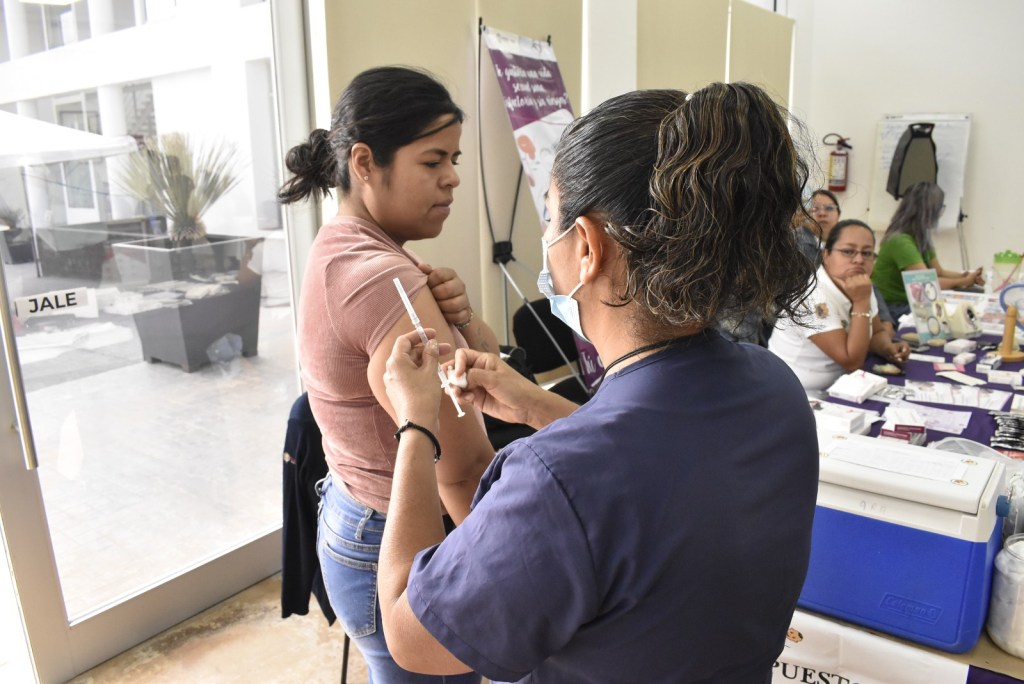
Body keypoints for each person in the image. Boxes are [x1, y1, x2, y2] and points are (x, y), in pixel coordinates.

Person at [375, 84, 820, 683]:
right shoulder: (775, 390)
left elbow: (409, 634)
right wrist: (537, 405)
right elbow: (653, 476)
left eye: (551, 217)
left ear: (586, 246)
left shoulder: (560, 481)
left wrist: (414, 424)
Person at [277, 65, 497, 684]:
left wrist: (466, 325)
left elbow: (475, 385)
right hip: (396, 540)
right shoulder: (384, 279)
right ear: (366, 162)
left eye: (453, 158)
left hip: (353, 518)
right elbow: (461, 466)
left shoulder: (344, 245)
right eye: (433, 161)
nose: (453, 177)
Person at [769, 219, 911, 393]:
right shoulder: (812, 295)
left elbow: (877, 333)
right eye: (848, 251)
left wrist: (888, 348)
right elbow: (851, 361)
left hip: (840, 386)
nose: (859, 260)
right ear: (826, 255)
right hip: (799, 394)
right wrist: (861, 303)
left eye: (867, 253)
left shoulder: (859, 284)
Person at [872, 181, 984, 320]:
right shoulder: (900, 241)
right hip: (894, 307)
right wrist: (963, 281)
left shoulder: (920, 236)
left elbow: (939, 272)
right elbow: (926, 284)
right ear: (929, 211)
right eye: (940, 208)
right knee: (953, 317)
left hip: (909, 302)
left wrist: (966, 276)